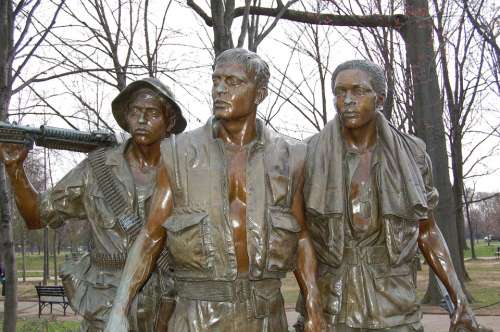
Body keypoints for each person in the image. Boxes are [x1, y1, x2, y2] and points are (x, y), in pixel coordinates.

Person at [105, 48, 325, 332]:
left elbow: (301, 236)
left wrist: (313, 305)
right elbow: (150, 235)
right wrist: (120, 308)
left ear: (259, 93)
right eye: (216, 80)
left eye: (233, 82)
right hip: (197, 314)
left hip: (265, 316)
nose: (220, 90)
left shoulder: (291, 156)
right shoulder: (179, 152)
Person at [298, 59, 491, 331]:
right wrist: (311, 304)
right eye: (340, 92)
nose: (348, 100)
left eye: (358, 91)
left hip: (396, 302)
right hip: (333, 305)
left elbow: (427, 229)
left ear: (380, 99)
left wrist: (460, 301)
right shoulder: (308, 155)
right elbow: (300, 235)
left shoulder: (413, 156)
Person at [0, 78, 186, 331]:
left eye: (152, 113)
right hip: (104, 307)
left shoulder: (187, 172)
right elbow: (36, 216)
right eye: (135, 112)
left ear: (170, 121)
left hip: (168, 308)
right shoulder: (96, 169)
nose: (141, 120)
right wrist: (15, 170)